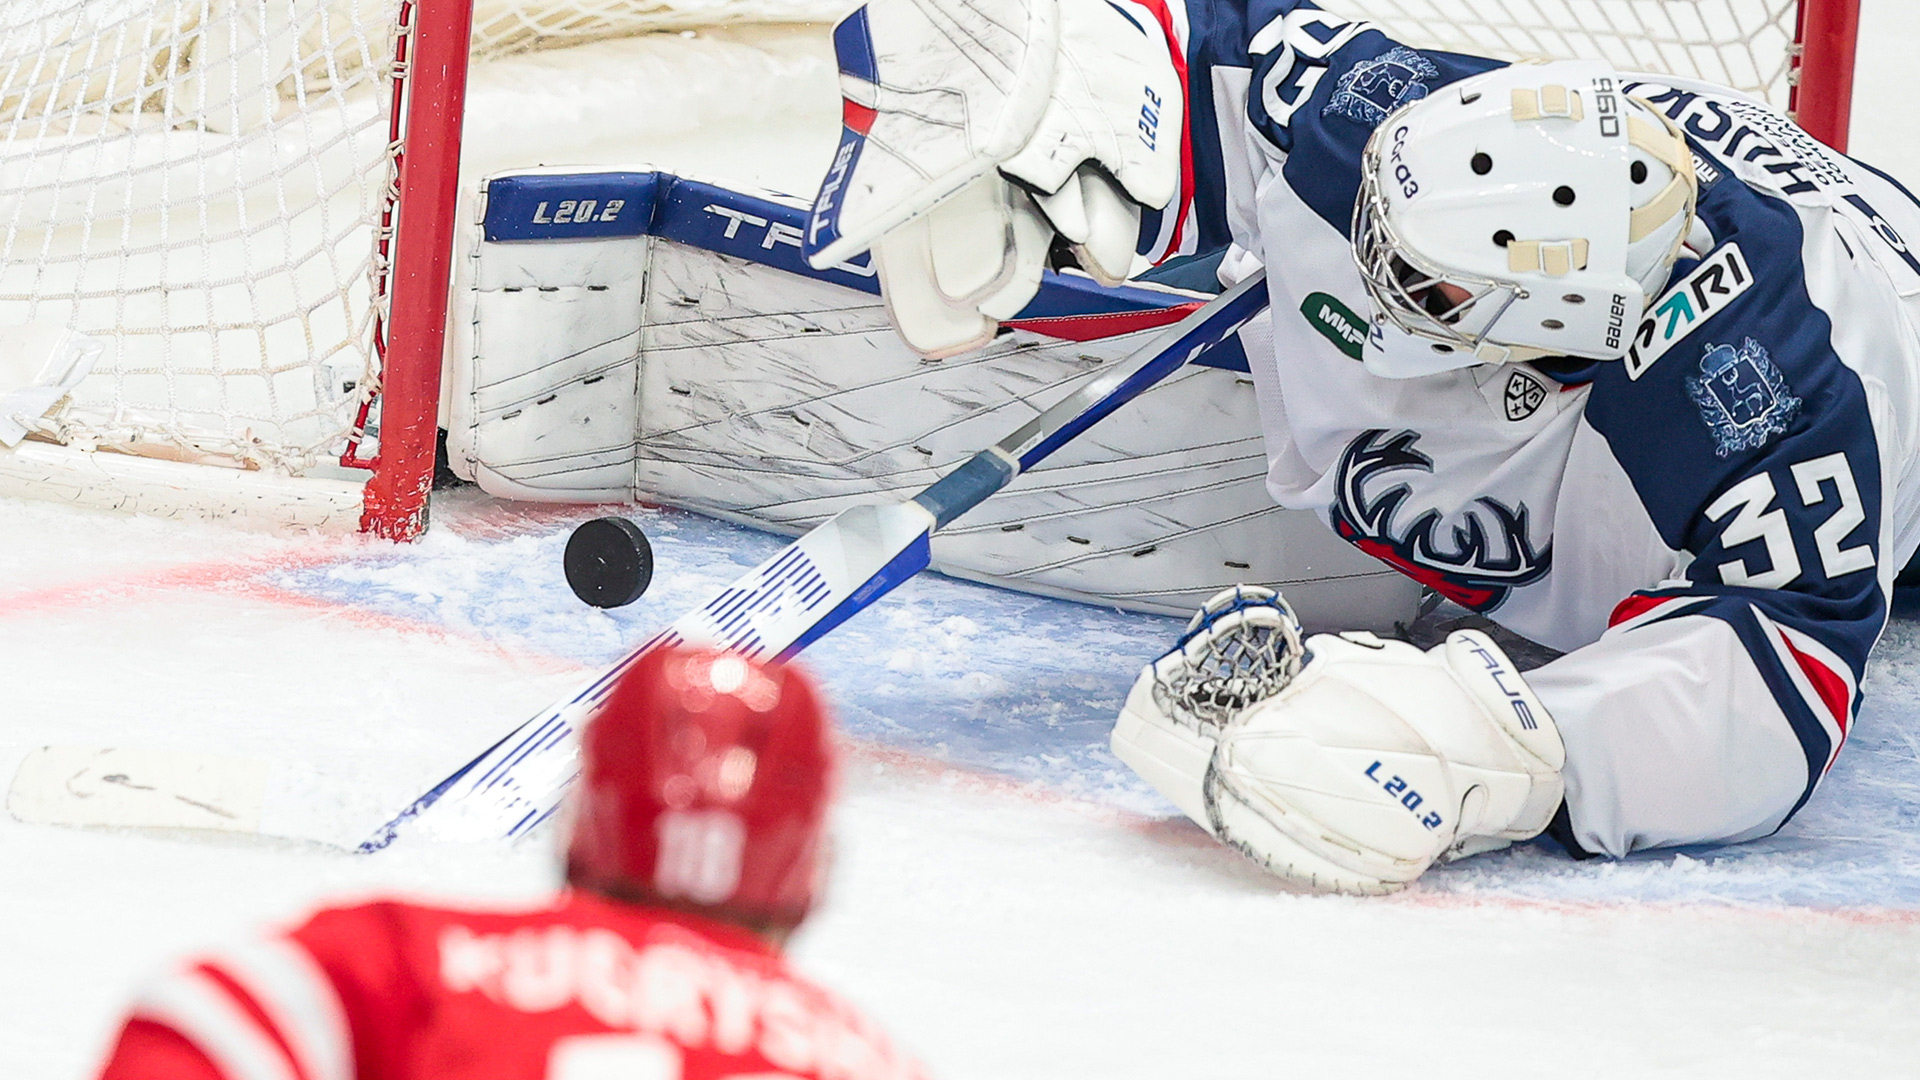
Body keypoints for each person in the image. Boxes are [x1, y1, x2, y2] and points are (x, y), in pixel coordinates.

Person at [799, 0, 1920, 892]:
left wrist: (1505, 746)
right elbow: (1183, 46)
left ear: (1565, 343)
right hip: (1686, 168)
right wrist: (1043, 99)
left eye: (1423, 291)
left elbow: (1781, 677)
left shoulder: (1781, 399)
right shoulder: (1373, 128)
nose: (1368, 278)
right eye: (1376, 230)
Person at [92, 647, 929, 1080]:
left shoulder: (411, 961)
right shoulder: (871, 1061)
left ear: (578, 828)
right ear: (811, 878)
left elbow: (189, 1025)